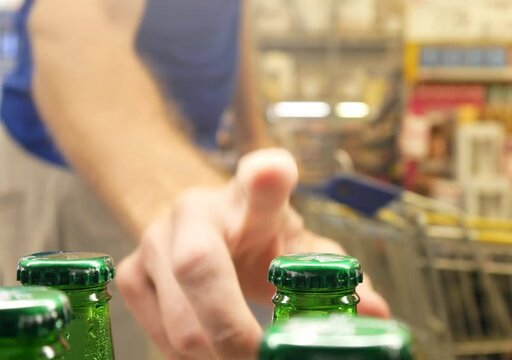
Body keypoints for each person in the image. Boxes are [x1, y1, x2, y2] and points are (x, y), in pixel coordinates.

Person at [0, 0, 390, 359]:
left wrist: (252, 139)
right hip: (76, 158)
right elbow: (72, 31)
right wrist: (177, 206)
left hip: (182, 157)